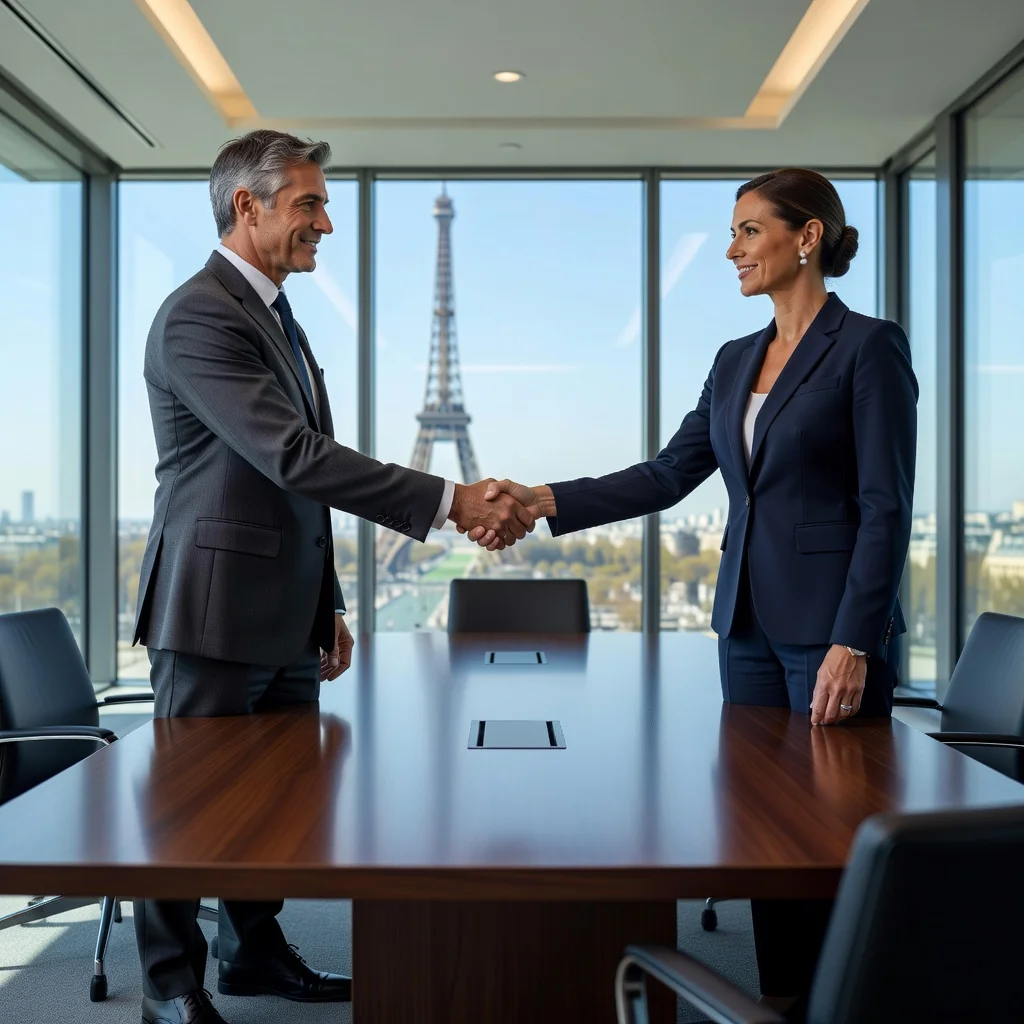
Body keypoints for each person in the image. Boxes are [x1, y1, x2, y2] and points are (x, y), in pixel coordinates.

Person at [470, 168, 918, 1019]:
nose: (732, 248)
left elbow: (885, 507)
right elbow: (670, 475)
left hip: (830, 632)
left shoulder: (867, 346)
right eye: (733, 231)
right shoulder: (734, 358)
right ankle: (785, 995)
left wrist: (855, 641)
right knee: (764, 832)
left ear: (808, 236)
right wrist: (541, 499)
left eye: (750, 230)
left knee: (828, 833)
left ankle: (852, 999)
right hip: (743, 625)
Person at [131, 129, 533, 1024]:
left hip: (280, 611)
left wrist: (331, 601)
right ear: (249, 205)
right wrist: (452, 499)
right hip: (209, 612)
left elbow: (291, 486)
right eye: (309, 203)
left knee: (271, 806)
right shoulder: (198, 315)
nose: (327, 223)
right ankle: (169, 987)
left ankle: (253, 954)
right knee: (189, 809)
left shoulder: (277, 316)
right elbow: (293, 456)